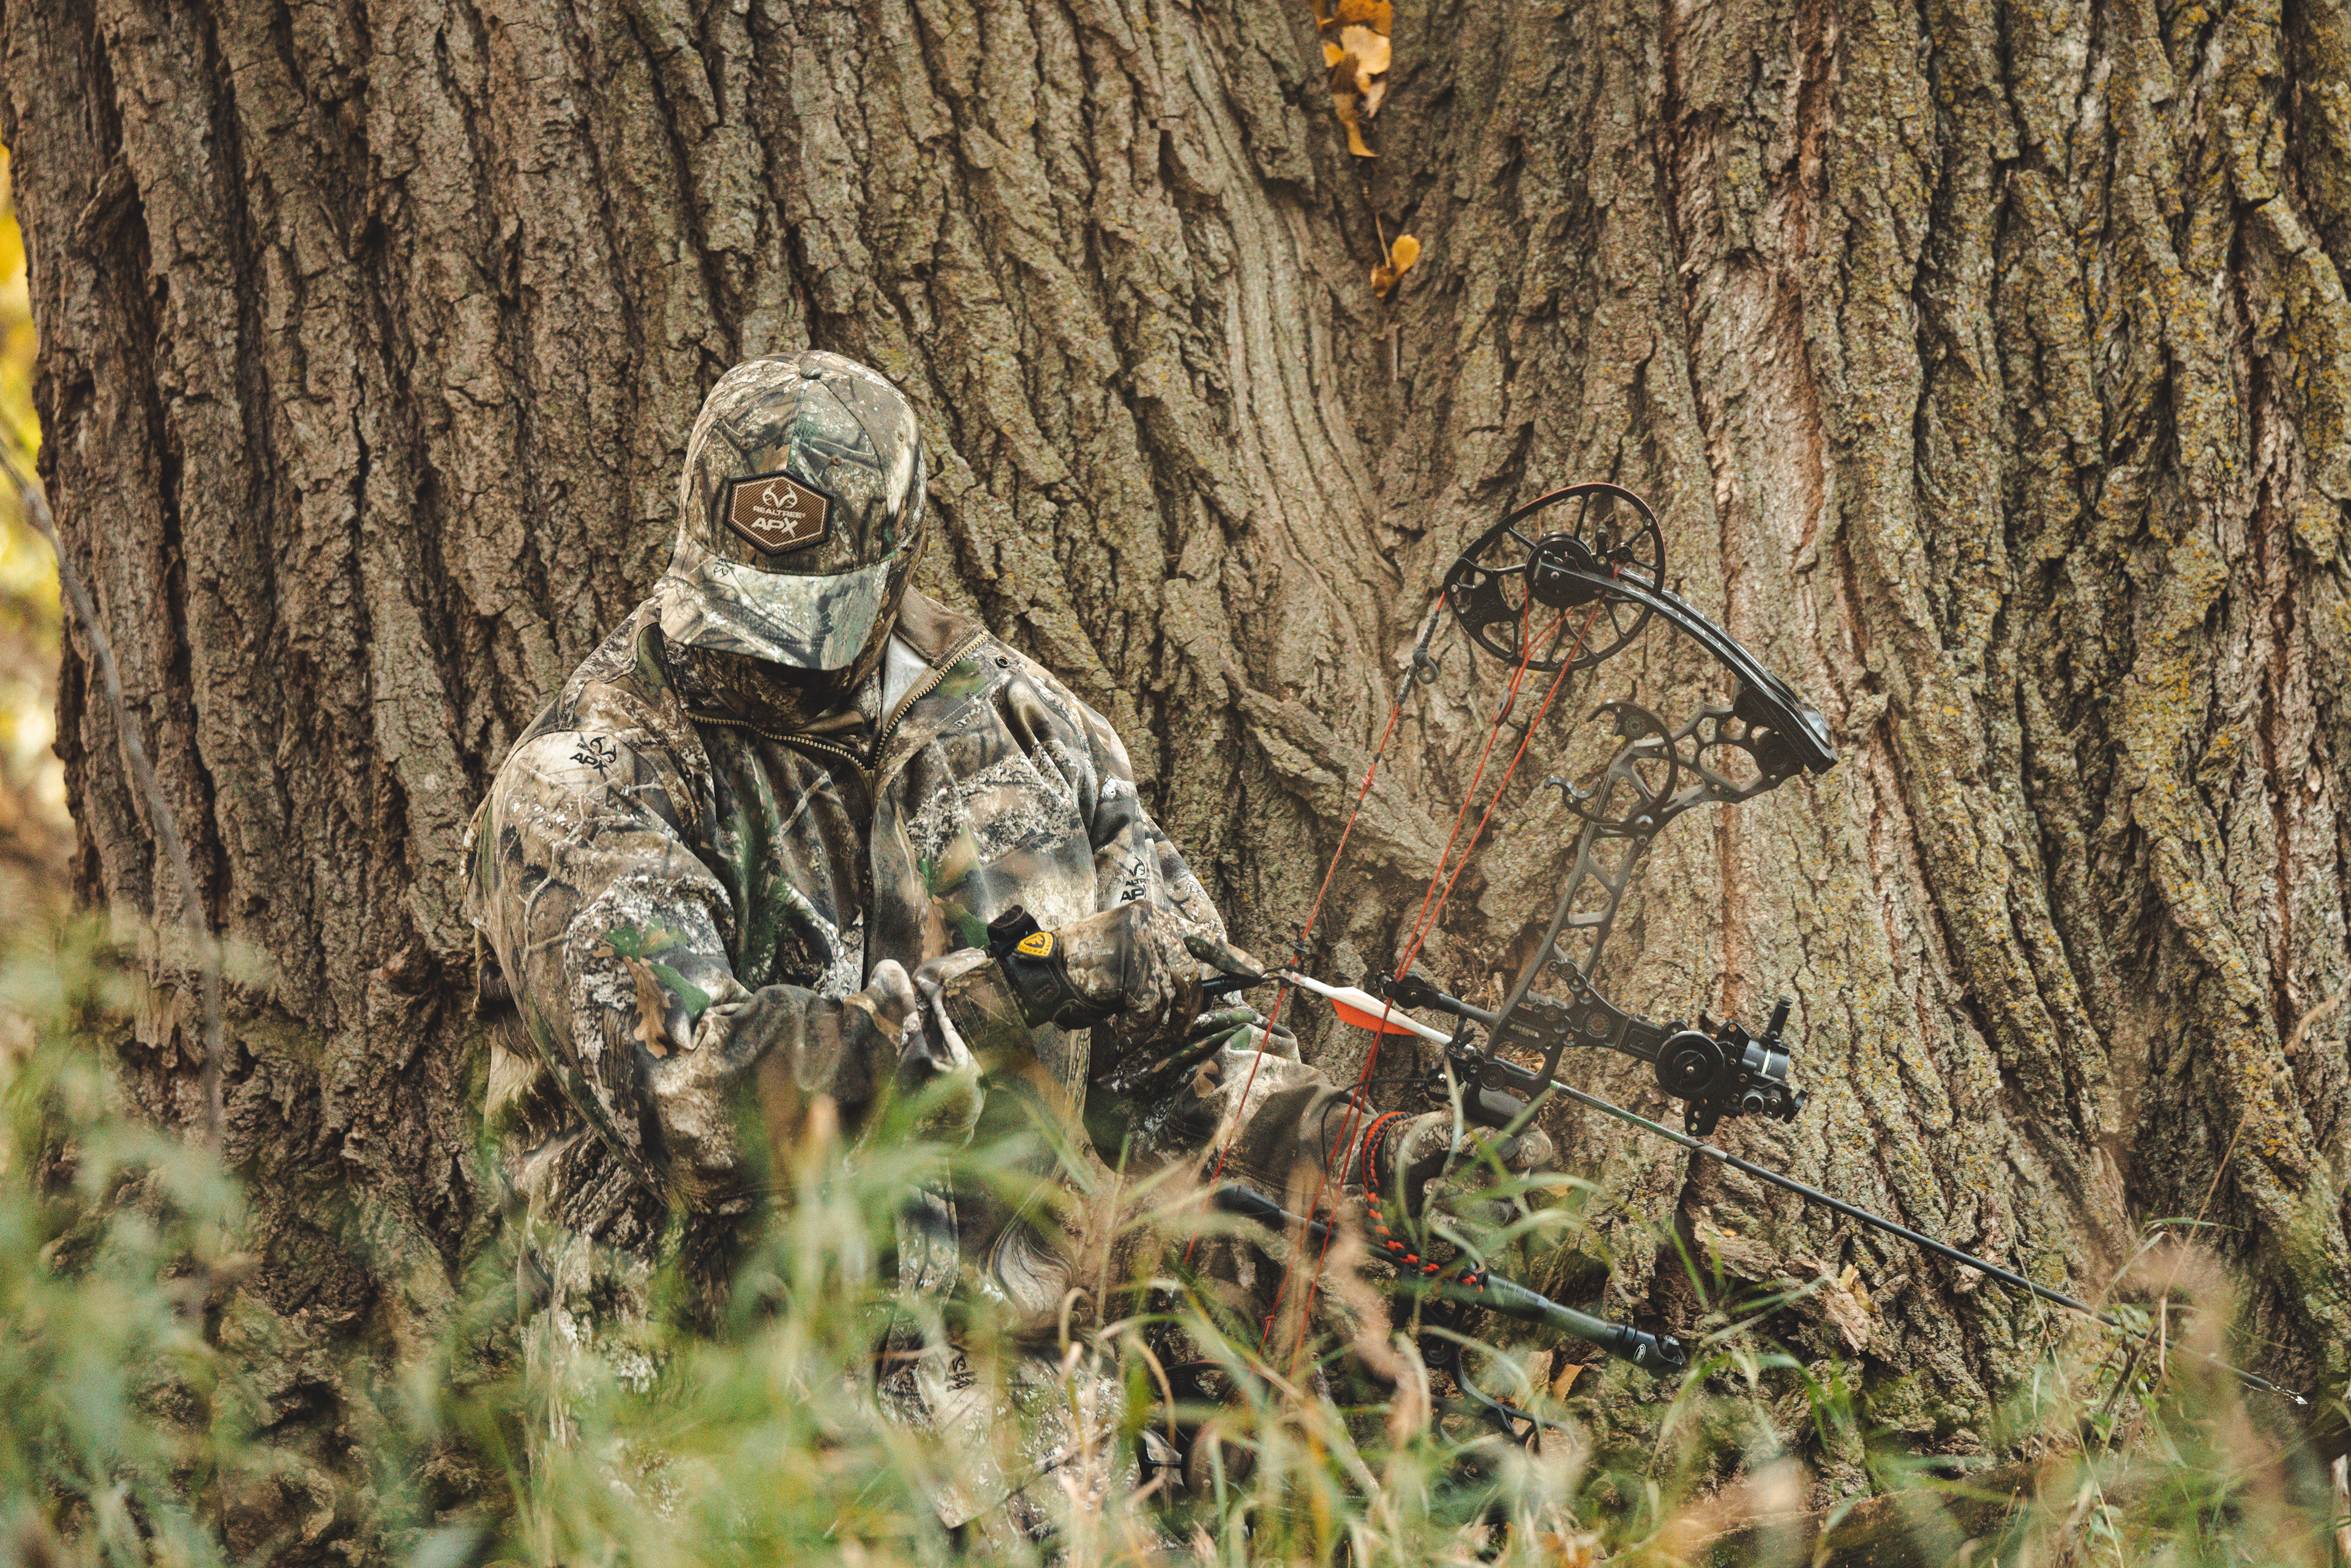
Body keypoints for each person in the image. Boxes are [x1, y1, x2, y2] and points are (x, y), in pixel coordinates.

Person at [463, 351, 1547, 1545]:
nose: (768, 655)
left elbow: (1183, 1052)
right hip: (721, 1450)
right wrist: (1008, 993)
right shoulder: (583, 780)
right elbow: (698, 1112)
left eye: (811, 618)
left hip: (1022, 1432)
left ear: (896, 560)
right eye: (742, 605)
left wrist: (1355, 1156)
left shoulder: (1025, 729)